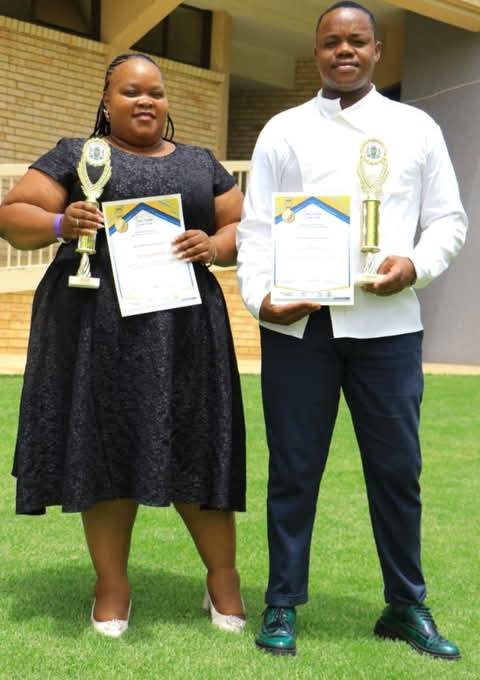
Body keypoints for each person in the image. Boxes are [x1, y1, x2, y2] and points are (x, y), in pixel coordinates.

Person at [237, 1, 467, 659]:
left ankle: (405, 604)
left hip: (388, 330)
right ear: (316, 52)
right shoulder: (282, 130)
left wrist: (415, 265)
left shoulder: (415, 128)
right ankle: (282, 602)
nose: (345, 50)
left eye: (357, 40)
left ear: (377, 51)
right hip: (299, 329)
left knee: (397, 471)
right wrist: (261, 299)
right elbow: (256, 230)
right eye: (332, 41)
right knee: (293, 469)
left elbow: (448, 220)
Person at [0, 53, 246, 637]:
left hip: (184, 331)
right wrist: (62, 224)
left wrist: (214, 245)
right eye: (131, 91)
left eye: (155, 92)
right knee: (105, 447)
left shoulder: (199, 163)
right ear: (106, 102)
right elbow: (11, 215)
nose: (146, 101)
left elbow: (247, 227)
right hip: (96, 329)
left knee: (195, 444)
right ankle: (112, 585)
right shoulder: (77, 155)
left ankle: (224, 580)